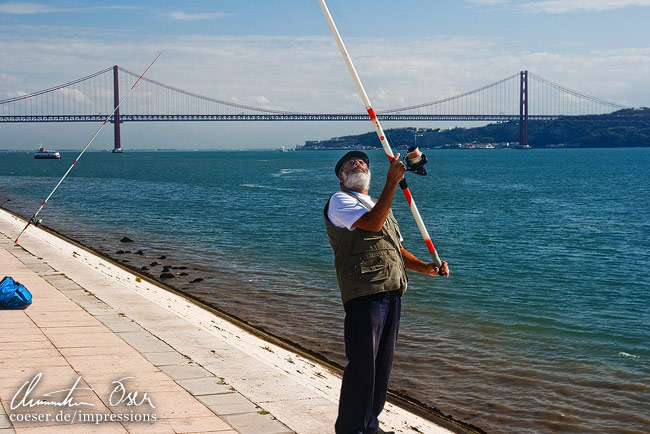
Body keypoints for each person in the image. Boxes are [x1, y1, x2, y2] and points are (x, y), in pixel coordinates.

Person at [323, 150, 449, 434]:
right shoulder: (340, 200)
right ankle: (351, 429)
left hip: (392, 289)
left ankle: (370, 426)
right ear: (342, 178)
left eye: (363, 162)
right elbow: (371, 223)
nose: (358, 163)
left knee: (381, 368)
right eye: (349, 163)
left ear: (368, 173)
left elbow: (396, 250)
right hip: (365, 291)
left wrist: (427, 268)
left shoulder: (380, 205)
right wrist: (392, 182)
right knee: (363, 366)